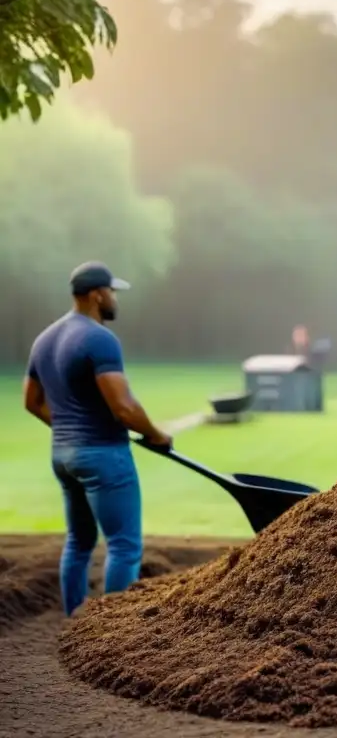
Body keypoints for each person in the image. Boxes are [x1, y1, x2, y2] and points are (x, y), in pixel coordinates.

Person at [23, 261, 172, 617]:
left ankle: (74, 620)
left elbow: (31, 403)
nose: (115, 299)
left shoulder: (45, 338)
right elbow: (123, 407)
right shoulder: (99, 338)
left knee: (78, 542)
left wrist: (69, 430)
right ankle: (110, 632)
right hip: (104, 455)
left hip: (62, 455)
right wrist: (157, 434)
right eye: (112, 292)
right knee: (124, 547)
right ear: (97, 294)